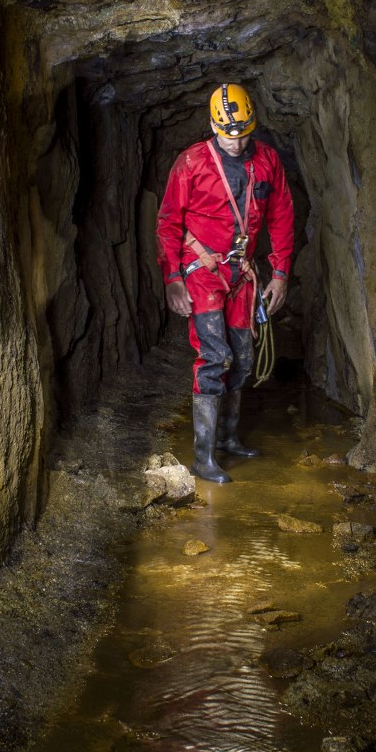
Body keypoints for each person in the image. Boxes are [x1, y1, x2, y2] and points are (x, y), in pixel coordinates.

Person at [156, 83, 294, 483]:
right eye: (226, 135)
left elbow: (282, 215)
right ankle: (204, 458)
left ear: (254, 125)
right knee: (215, 357)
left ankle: (229, 437)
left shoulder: (267, 161)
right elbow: (168, 223)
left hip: (242, 273)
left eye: (242, 134)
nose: (234, 143)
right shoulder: (192, 163)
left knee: (244, 358)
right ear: (213, 127)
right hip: (202, 271)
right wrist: (172, 279)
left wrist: (281, 272)